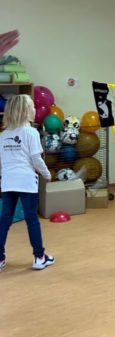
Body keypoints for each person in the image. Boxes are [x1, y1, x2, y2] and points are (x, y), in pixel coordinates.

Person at [0, 94, 54, 272]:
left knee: (4, 220)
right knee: (32, 220)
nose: (35, 109)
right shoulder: (31, 132)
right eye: (32, 107)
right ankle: (39, 258)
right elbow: (36, 159)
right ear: (24, 111)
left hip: (8, 183)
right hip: (26, 183)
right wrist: (47, 174)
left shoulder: (4, 134)